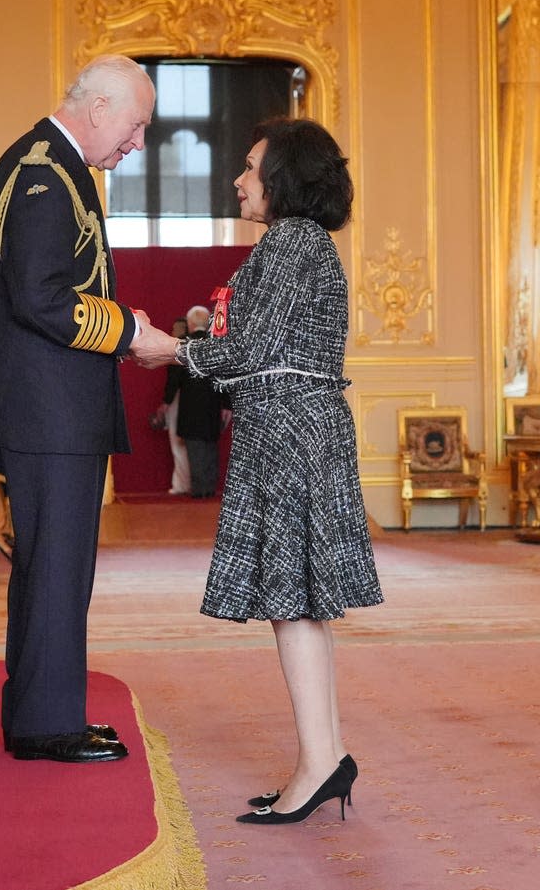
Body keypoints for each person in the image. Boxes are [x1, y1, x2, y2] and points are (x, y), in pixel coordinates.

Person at [132, 117, 384, 823]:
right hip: (299, 424)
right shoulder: (307, 243)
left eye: (249, 166)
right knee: (299, 598)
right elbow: (257, 345)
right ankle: (325, 756)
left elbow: (249, 348)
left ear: (283, 178)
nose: (238, 178)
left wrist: (168, 349)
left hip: (289, 430)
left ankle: (319, 763)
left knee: (291, 600)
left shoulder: (291, 240)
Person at [0, 54, 156, 763]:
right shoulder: (46, 173)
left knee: (55, 566)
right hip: (47, 413)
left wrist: (121, 323)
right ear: (100, 108)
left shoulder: (54, 165)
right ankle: (47, 725)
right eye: (135, 126)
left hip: (52, 409)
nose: (136, 143)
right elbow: (41, 296)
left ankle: (45, 713)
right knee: (56, 566)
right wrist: (129, 331)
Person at [165, 306, 231, 498]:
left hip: (190, 406)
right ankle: (209, 487)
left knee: (194, 448)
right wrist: (227, 405)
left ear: (190, 323)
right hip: (213, 405)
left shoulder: (185, 345)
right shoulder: (216, 344)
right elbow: (226, 376)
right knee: (211, 446)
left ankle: (199, 489)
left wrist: (166, 402)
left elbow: (174, 378)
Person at [154, 317, 191, 495]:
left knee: (178, 443)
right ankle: (186, 483)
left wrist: (166, 403)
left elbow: (173, 380)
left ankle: (182, 484)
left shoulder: (179, 349)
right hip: (189, 402)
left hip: (179, 401)